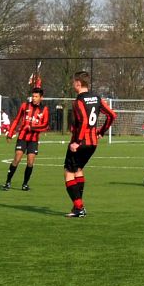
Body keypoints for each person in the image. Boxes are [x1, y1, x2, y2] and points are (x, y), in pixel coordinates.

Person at [63, 70, 116, 218]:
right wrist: (102, 131)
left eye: (74, 82)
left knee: (68, 173)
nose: (73, 84)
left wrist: (76, 142)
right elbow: (112, 115)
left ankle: (79, 208)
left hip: (81, 142)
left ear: (78, 83)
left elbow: (85, 122)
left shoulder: (79, 101)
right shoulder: (97, 98)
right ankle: (76, 207)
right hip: (93, 143)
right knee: (78, 170)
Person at [3, 87, 51, 190]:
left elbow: (45, 126)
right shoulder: (25, 106)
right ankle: (7, 182)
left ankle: (25, 184)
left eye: (36, 96)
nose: (34, 98)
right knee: (17, 158)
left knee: (30, 162)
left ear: (41, 98)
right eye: (33, 96)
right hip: (22, 137)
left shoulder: (44, 109)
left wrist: (32, 127)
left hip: (34, 140)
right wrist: (10, 133)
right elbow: (16, 119)